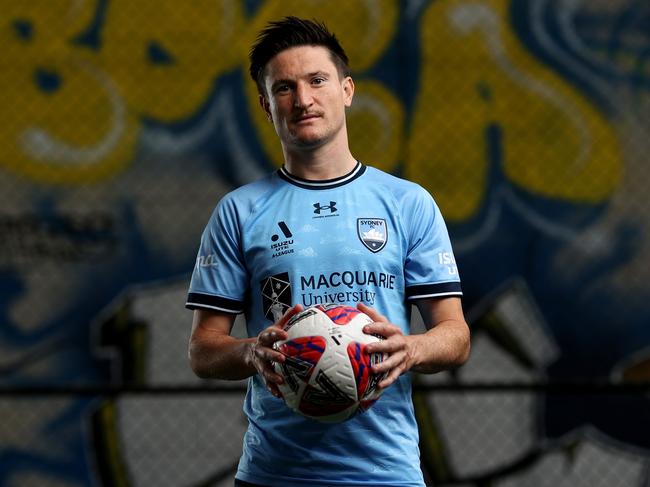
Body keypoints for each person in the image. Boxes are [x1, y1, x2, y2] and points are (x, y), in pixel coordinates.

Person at [186, 16, 471, 487]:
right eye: (284, 88)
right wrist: (251, 352)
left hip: (386, 473)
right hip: (273, 474)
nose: (303, 100)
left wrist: (412, 348)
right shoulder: (239, 212)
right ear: (265, 105)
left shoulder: (407, 203)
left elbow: (456, 336)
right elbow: (202, 350)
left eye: (317, 81)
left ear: (347, 90)